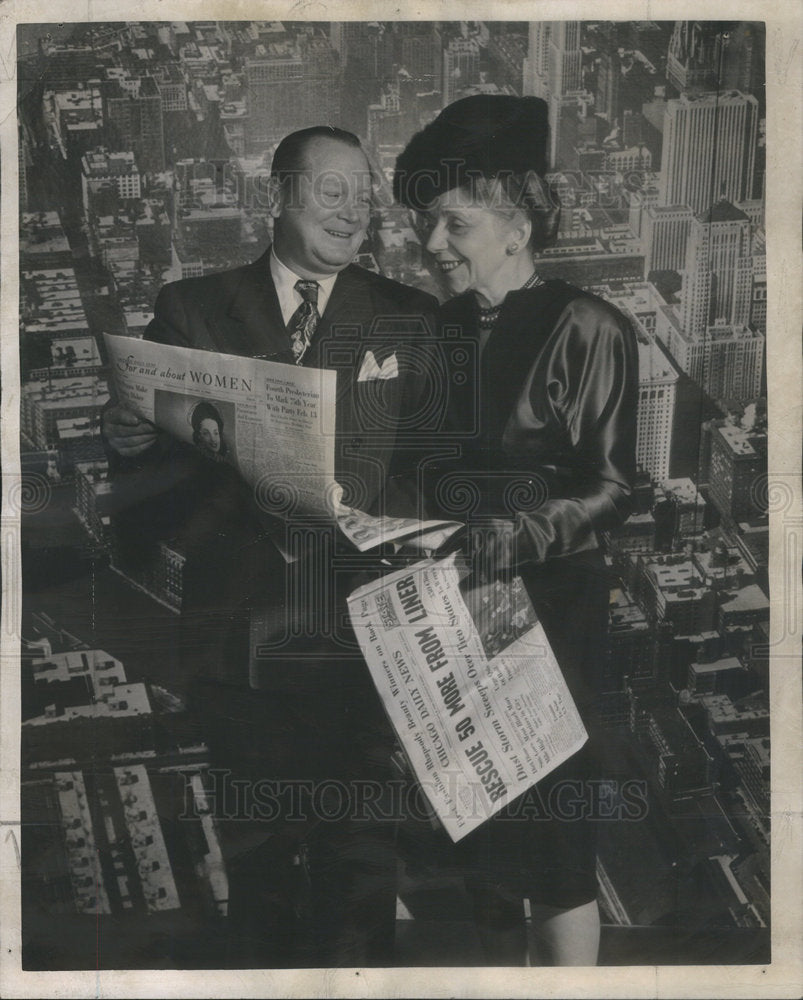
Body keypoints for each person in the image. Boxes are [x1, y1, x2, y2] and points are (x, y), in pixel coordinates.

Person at [103, 125, 439, 966]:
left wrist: (381, 513)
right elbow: (154, 497)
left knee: (358, 867)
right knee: (257, 865)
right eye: (333, 191)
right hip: (239, 640)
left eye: (364, 195)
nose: (354, 211)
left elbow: (437, 469)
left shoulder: (408, 318)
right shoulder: (190, 310)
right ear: (276, 197)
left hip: (361, 643)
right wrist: (133, 440)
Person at [393, 95, 639, 966]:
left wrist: (506, 537)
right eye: (427, 225)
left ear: (517, 226)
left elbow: (610, 488)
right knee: (470, 846)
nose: (432, 247)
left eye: (453, 224)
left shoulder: (588, 327)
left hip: (550, 620)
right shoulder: (442, 331)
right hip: (447, 618)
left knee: (555, 857)